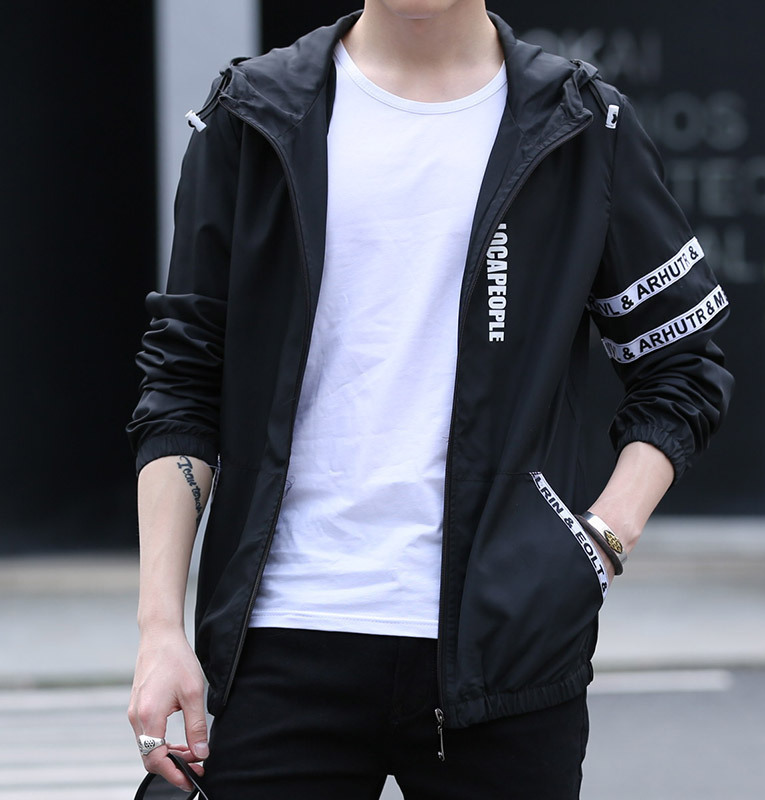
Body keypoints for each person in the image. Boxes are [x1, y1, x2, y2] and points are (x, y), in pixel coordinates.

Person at [126, 2, 733, 798]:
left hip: (505, 647)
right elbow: (182, 380)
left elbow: (683, 363)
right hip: (282, 635)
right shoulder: (254, 112)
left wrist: (599, 542)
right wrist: (159, 628)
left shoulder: (583, 124)